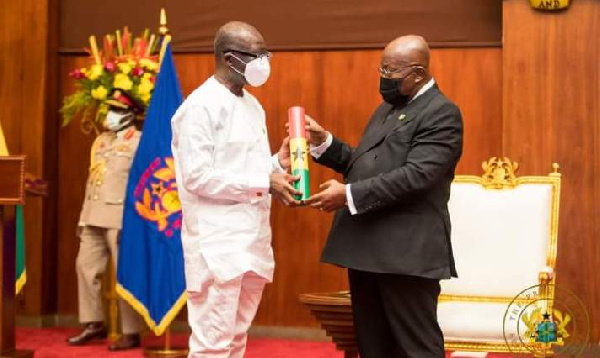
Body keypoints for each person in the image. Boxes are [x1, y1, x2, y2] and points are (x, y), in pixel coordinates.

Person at [306, 35, 463, 357]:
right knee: (373, 345)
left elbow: (417, 176)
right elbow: (365, 164)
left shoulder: (441, 112)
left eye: (391, 71)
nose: (383, 78)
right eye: (382, 68)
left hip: (406, 253)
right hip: (367, 249)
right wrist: (325, 143)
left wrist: (348, 195)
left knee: (415, 346)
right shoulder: (388, 109)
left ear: (418, 73)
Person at [171, 21, 300, 358]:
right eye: (257, 56)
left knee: (236, 340)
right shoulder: (198, 108)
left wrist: (278, 163)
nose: (265, 63)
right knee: (212, 345)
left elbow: (246, 170)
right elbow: (197, 177)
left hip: (252, 241)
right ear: (229, 59)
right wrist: (264, 182)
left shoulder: (252, 105)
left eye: (266, 54)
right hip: (217, 246)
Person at [68, 89, 143, 351]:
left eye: (116, 111)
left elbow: (142, 185)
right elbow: (93, 180)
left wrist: (134, 222)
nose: (109, 116)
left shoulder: (138, 143)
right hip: (93, 215)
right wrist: (82, 218)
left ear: (129, 115)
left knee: (124, 275)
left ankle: (132, 332)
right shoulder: (101, 141)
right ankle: (93, 323)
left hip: (120, 218)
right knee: (84, 267)